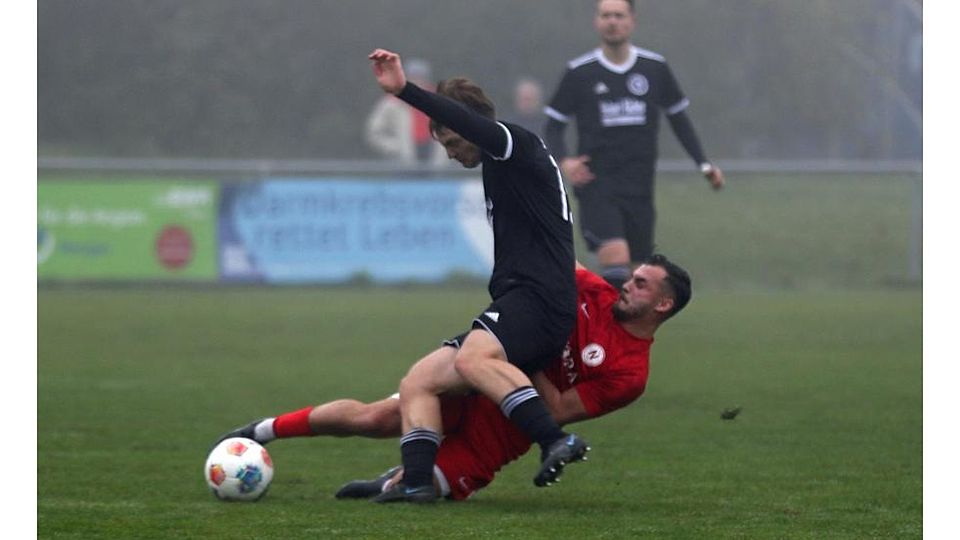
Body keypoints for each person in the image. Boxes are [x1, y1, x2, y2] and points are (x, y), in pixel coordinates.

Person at [216, 255, 692, 501]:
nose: (627, 284)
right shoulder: (596, 289)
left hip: (498, 435)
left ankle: (394, 480)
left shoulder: (630, 373)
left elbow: (555, 410)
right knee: (377, 416)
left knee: (424, 493)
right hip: (473, 381)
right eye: (631, 277)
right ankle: (262, 430)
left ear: (663, 305)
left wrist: (530, 349)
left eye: (641, 284)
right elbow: (552, 264)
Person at [367, 48, 585, 502]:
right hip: (520, 299)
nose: (449, 154)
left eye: (451, 142)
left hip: (540, 298)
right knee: (418, 383)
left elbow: (471, 126)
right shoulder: (500, 165)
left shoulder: (513, 145)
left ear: (469, 126)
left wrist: (406, 91)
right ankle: (416, 483)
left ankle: (555, 440)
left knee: (471, 360)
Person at [543, 0, 725, 290]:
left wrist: (704, 164)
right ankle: (597, 335)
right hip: (596, 183)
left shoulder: (654, 68)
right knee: (615, 263)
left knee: (636, 277)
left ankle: (609, 332)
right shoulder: (580, 72)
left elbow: (679, 120)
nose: (612, 21)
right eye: (606, 15)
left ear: (632, 21)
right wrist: (565, 161)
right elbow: (553, 126)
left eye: (619, 15)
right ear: (596, 21)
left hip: (639, 186)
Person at [364, 57, 447, 166]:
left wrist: (448, 148)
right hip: (403, 163)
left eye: (421, 78)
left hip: (435, 162)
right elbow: (374, 132)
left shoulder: (440, 101)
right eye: (413, 78)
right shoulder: (392, 103)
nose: (417, 81)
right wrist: (396, 147)